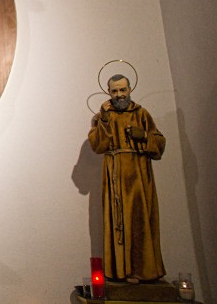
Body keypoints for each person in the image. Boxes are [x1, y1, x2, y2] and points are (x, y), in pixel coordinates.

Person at [88, 74, 166, 283]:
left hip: (139, 176)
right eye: (114, 91)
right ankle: (120, 271)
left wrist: (144, 136)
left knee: (141, 222)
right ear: (108, 92)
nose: (119, 95)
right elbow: (97, 145)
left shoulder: (141, 114)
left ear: (130, 89)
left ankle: (144, 271)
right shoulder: (103, 116)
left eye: (123, 90)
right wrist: (105, 121)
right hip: (115, 176)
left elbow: (159, 144)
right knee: (117, 223)